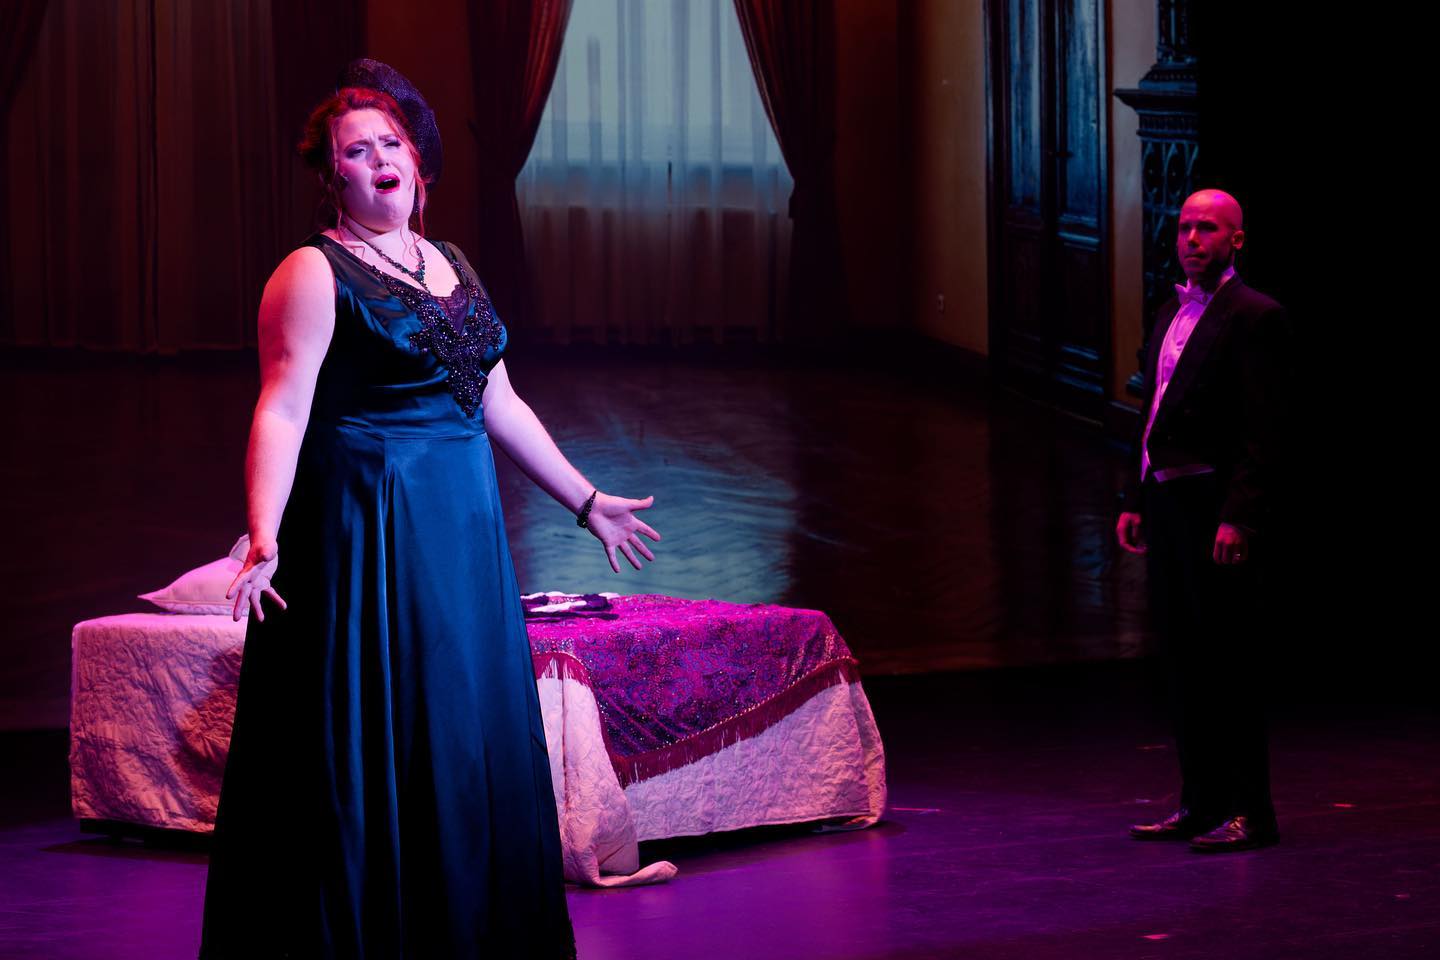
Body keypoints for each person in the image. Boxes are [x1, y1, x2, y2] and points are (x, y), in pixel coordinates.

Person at [199, 60, 659, 958]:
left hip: (460, 531)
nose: (379, 159)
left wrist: (586, 500)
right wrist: (263, 532)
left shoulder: (451, 264)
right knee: (379, 727)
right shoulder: (312, 272)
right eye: (356, 150)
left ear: (417, 161)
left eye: (391, 144)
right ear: (331, 176)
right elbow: (282, 409)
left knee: (461, 719)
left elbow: (499, 403)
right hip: (369, 530)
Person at [1116, 188, 1290, 853]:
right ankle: (1200, 802)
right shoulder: (1169, 309)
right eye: (1186, 227)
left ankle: (1251, 811)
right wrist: (1135, 498)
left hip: (1213, 508)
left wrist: (1238, 517)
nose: (1192, 239)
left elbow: (1263, 431)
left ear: (1235, 239)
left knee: (1229, 662)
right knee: (1183, 658)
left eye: (1208, 228)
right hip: (1167, 504)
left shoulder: (1256, 316)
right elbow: (1152, 412)